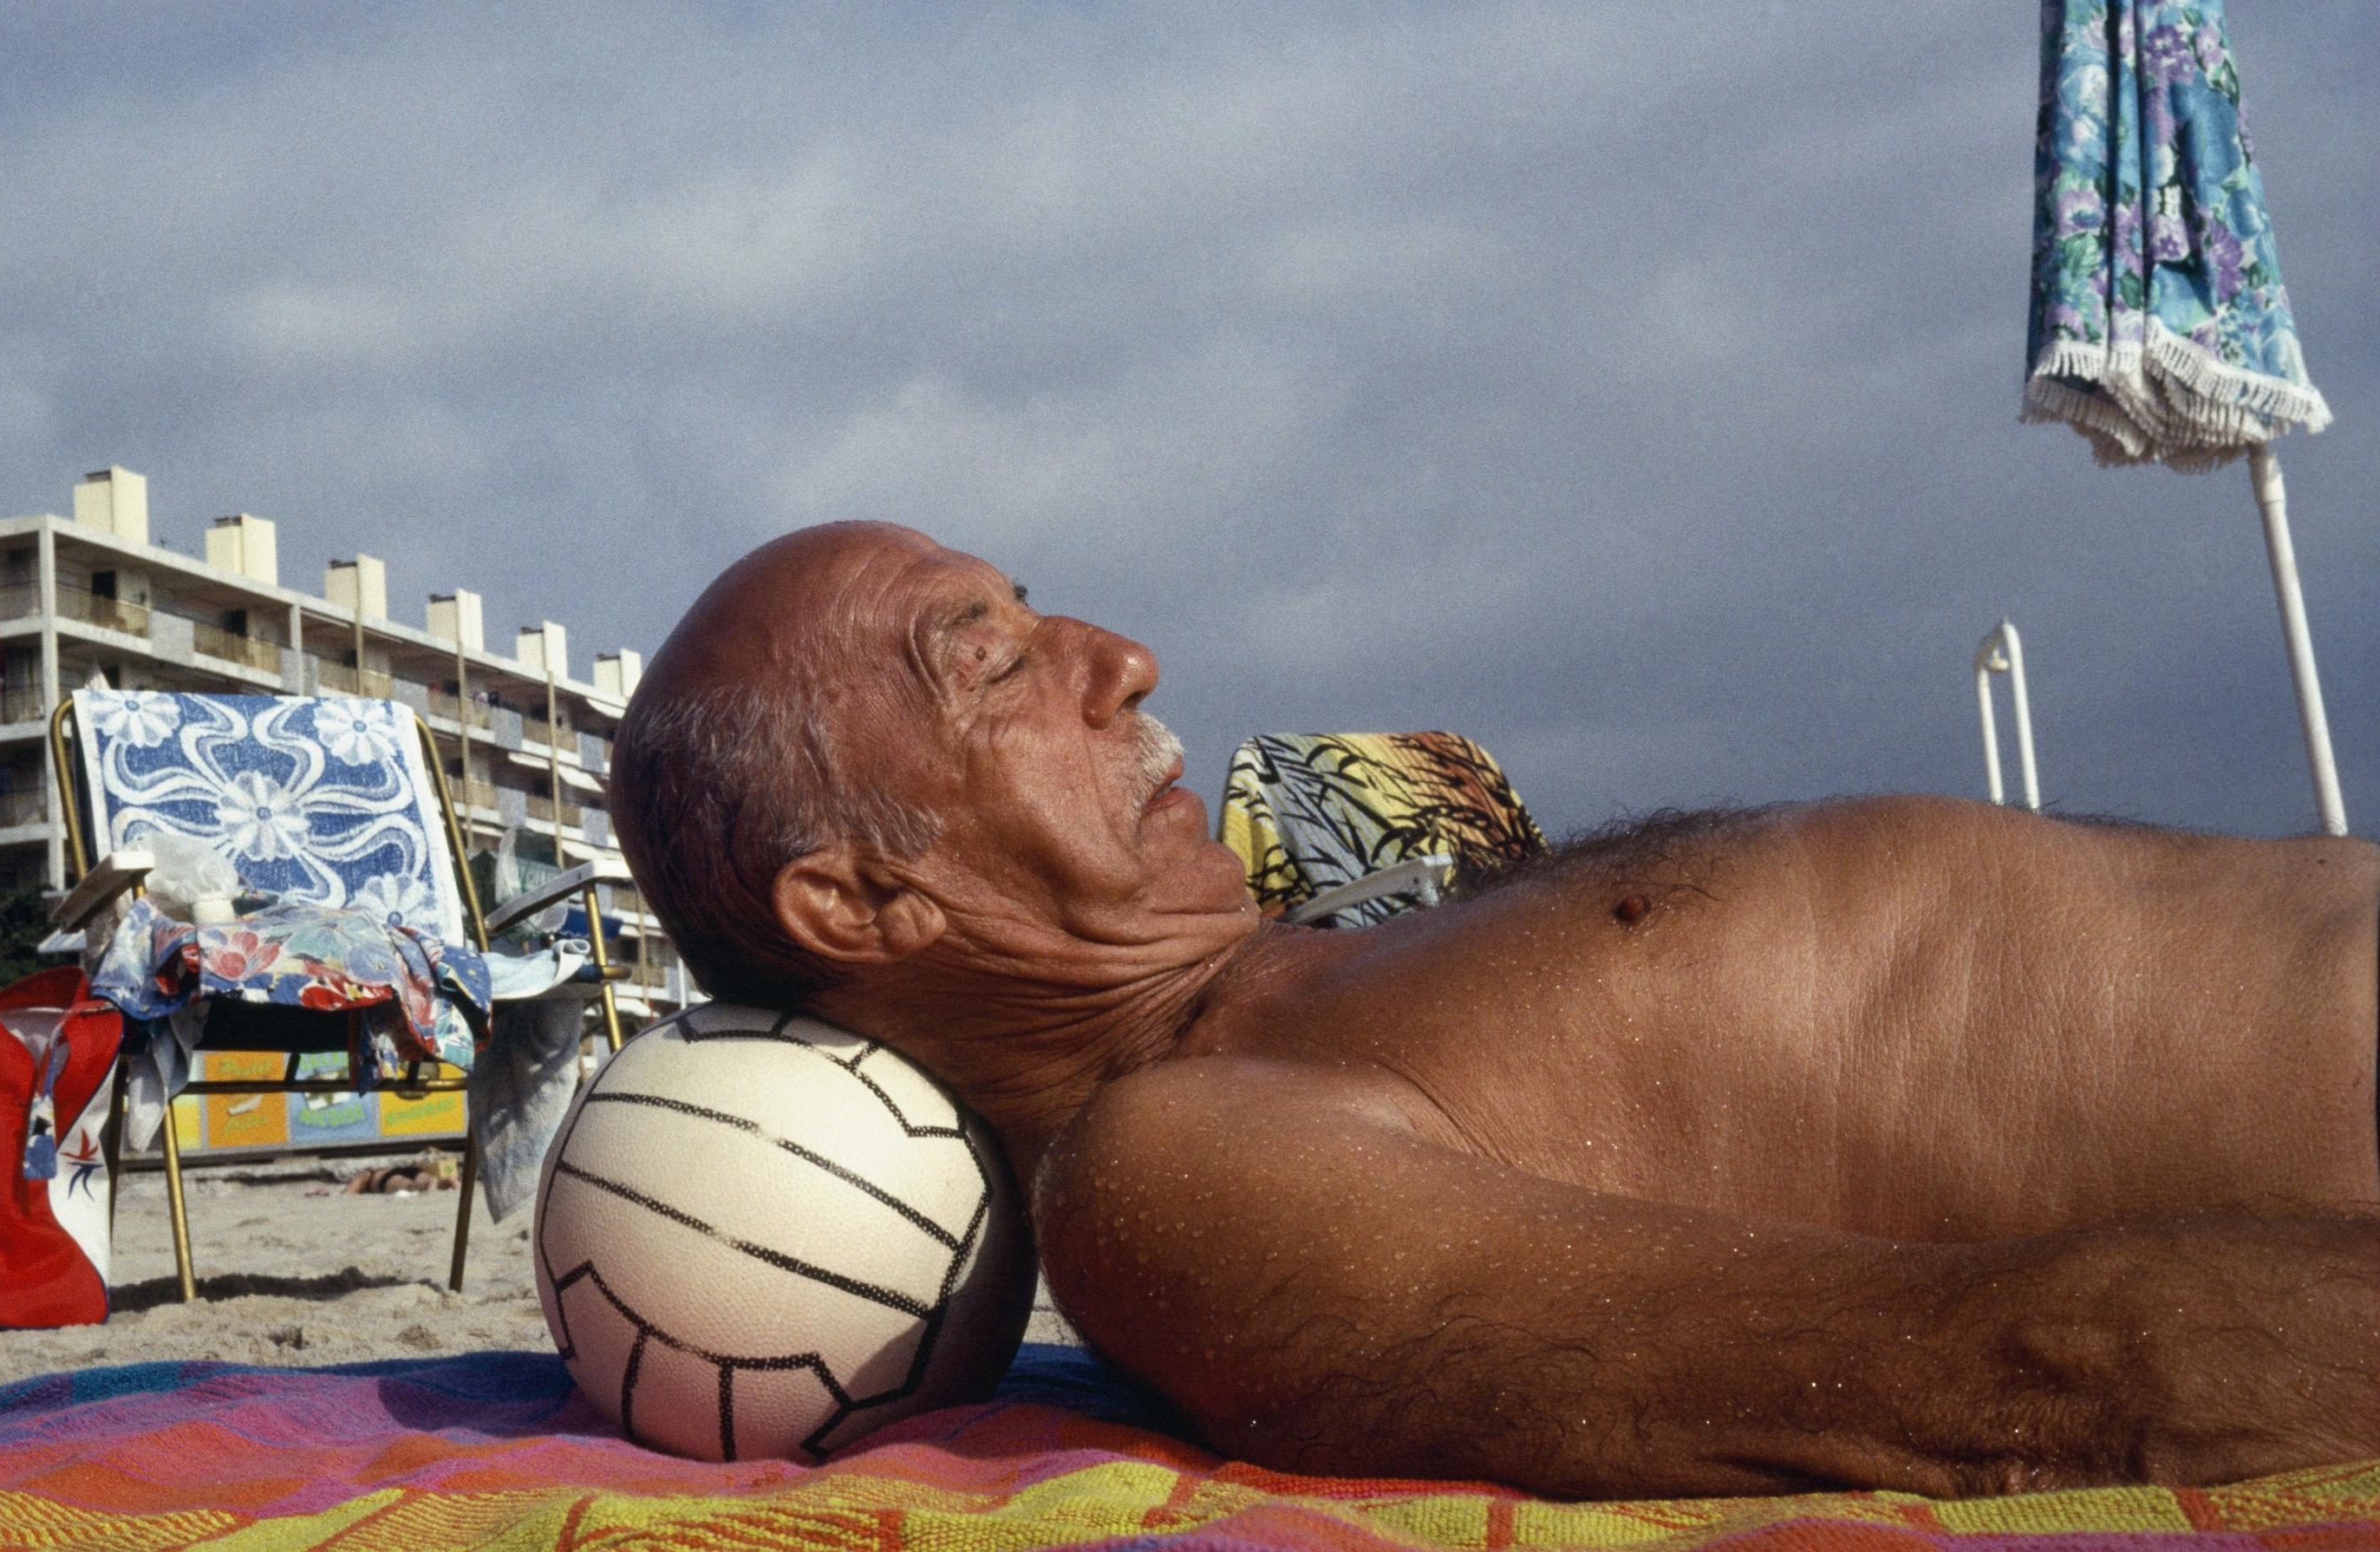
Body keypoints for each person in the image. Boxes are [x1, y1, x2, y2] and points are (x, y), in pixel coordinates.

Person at [608, 521, 2378, 1501]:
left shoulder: (1313, 992)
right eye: (996, 665)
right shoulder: (1176, 1163)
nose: (1120, 658)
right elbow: (2001, 1378)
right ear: (860, 901)